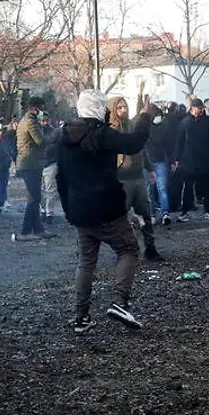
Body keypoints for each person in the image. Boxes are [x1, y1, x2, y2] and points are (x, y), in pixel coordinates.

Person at [56, 90, 151, 332]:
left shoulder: (63, 136)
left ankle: (81, 317)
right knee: (129, 249)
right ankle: (120, 301)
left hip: (80, 210)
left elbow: (61, 178)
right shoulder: (101, 134)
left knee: (86, 261)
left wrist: (68, 210)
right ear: (100, 109)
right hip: (107, 207)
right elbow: (134, 144)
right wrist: (144, 117)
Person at [110, 97, 162, 262]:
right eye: (119, 108)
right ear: (113, 110)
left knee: (145, 213)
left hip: (138, 176)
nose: (123, 110)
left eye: (125, 106)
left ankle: (150, 248)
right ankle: (123, 252)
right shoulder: (111, 130)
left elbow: (142, 148)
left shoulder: (133, 125)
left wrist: (150, 168)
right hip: (121, 179)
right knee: (120, 218)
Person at [177, 97, 209, 219]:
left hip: (205, 158)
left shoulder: (208, 121)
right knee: (188, 187)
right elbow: (179, 142)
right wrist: (177, 159)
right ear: (192, 108)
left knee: (206, 185)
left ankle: (207, 211)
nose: (201, 110)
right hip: (189, 160)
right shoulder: (185, 122)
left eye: (202, 108)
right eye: (199, 108)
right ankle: (184, 212)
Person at [13, 98, 49, 241]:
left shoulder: (26, 120)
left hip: (30, 163)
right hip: (30, 163)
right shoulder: (31, 121)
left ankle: (38, 229)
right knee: (34, 198)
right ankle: (25, 231)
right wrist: (54, 136)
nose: (41, 111)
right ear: (35, 108)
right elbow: (40, 141)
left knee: (35, 197)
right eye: (41, 108)